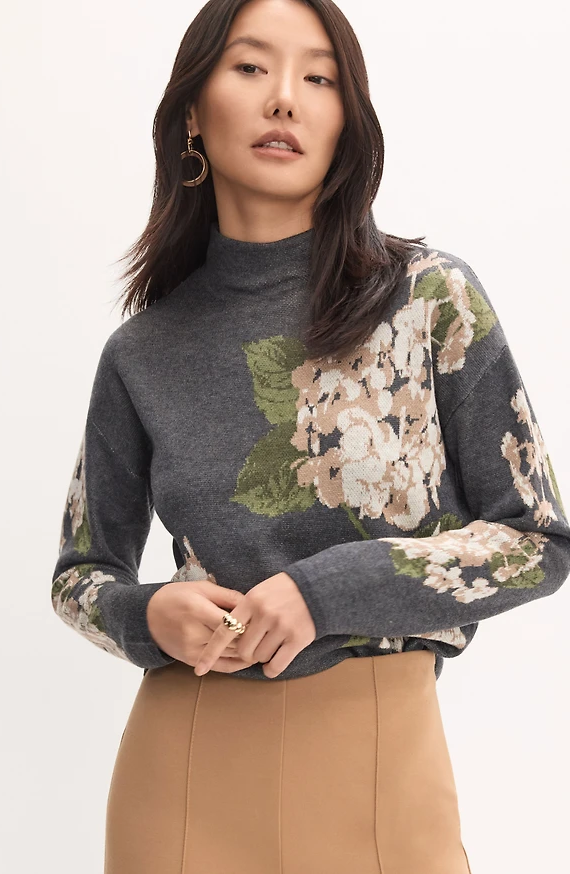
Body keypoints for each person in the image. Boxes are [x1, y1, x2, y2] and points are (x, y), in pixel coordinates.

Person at [50, 1, 570, 872]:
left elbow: (538, 543)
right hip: (183, 767)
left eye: (319, 77)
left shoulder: (429, 299)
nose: (284, 97)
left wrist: (324, 591)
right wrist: (149, 614)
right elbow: (79, 575)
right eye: (251, 67)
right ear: (192, 113)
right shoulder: (142, 352)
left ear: (346, 123)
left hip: (381, 765)